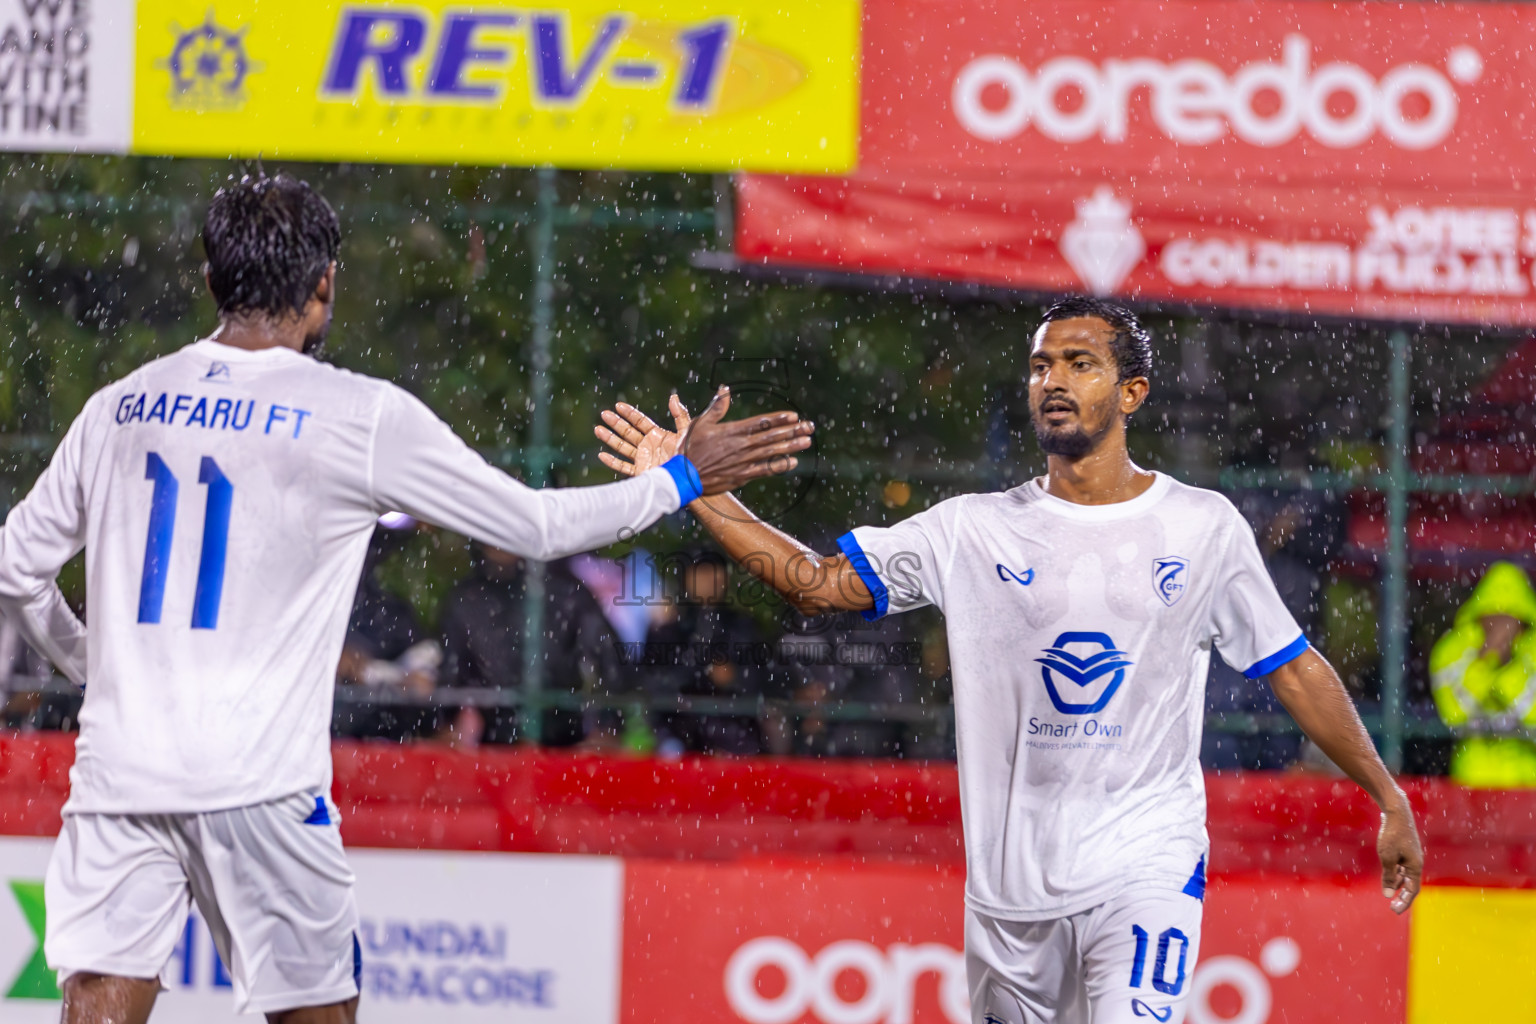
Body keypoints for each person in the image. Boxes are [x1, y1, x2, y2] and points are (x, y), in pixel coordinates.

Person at [0, 173, 812, 1024]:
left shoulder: (119, 407)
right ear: (323, 285)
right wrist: (677, 481)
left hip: (124, 768)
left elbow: (19, 567)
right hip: (262, 783)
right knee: (315, 1012)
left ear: (211, 278)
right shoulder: (356, 414)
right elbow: (534, 527)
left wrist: (100, 669)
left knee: (98, 999)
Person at [596, 296, 1421, 1024]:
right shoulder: (971, 530)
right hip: (1008, 898)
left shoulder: (1202, 527)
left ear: (1131, 393)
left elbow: (1292, 664)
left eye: (1078, 363)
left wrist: (1386, 795)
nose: (1053, 380)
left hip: (1147, 864)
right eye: (1039, 366)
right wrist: (692, 486)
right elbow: (813, 585)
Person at [436, 545, 619, 747]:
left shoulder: (565, 591)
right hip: (497, 744)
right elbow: (450, 675)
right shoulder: (465, 599)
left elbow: (611, 660)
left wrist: (607, 727)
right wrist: (445, 724)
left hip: (563, 742)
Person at [1430, 560, 1536, 787]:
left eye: (1509, 619)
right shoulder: (1453, 649)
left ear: (1523, 621)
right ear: (1480, 615)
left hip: (1527, 784)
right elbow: (1454, 713)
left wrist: (1507, 666)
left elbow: (1533, 714)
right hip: (1471, 782)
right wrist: (1485, 661)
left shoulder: (1532, 648)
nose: (1501, 627)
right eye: (1494, 617)